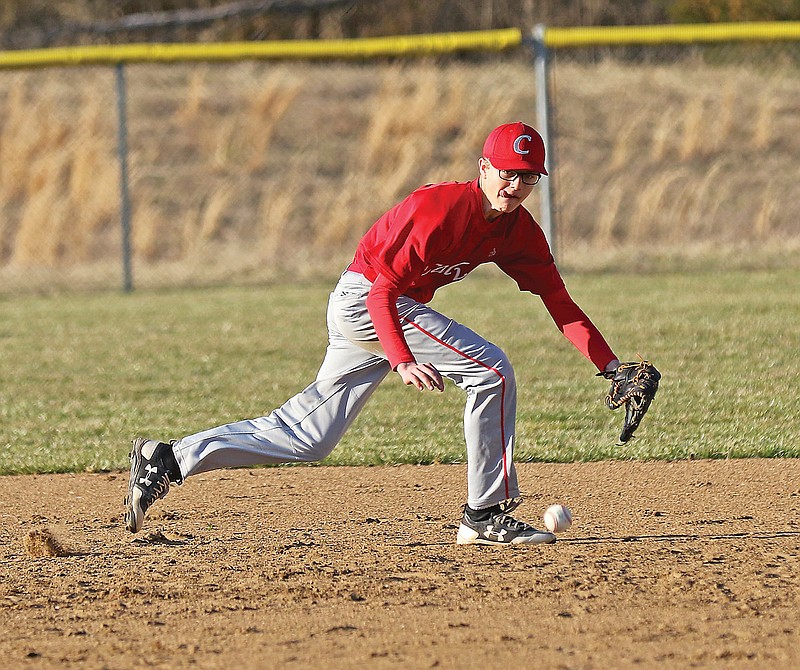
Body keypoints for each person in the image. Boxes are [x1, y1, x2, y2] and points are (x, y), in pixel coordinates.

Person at [125, 121, 621, 546]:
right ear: (485, 168)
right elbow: (381, 293)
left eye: (527, 177)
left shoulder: (518, 232)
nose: (515, 185)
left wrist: (611, 366)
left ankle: (167, 458)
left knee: (309, 438)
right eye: (507, 173)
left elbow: (559, 300)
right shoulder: (440, 210)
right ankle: (485, 515)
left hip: (378, 310)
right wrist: (402, 359)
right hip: (367, 302)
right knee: (493, 371)